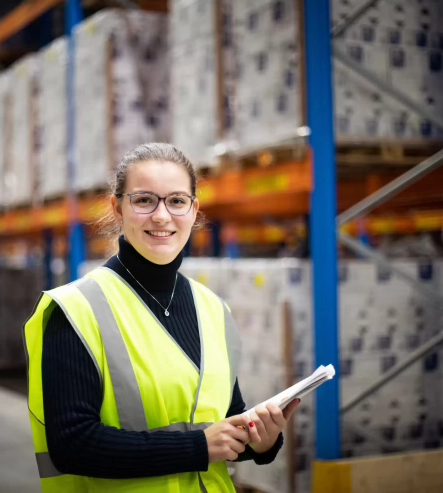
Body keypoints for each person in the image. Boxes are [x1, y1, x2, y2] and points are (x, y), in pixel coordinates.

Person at [23, 143, 300, 492]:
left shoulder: (213, 310)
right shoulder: (77, 310)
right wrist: (198, 447)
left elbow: (226, 425)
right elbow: (72, 445)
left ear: (194, 209)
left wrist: (261, 442)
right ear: (117, 207)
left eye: (177, 201)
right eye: (144, 200)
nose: (162, 216)